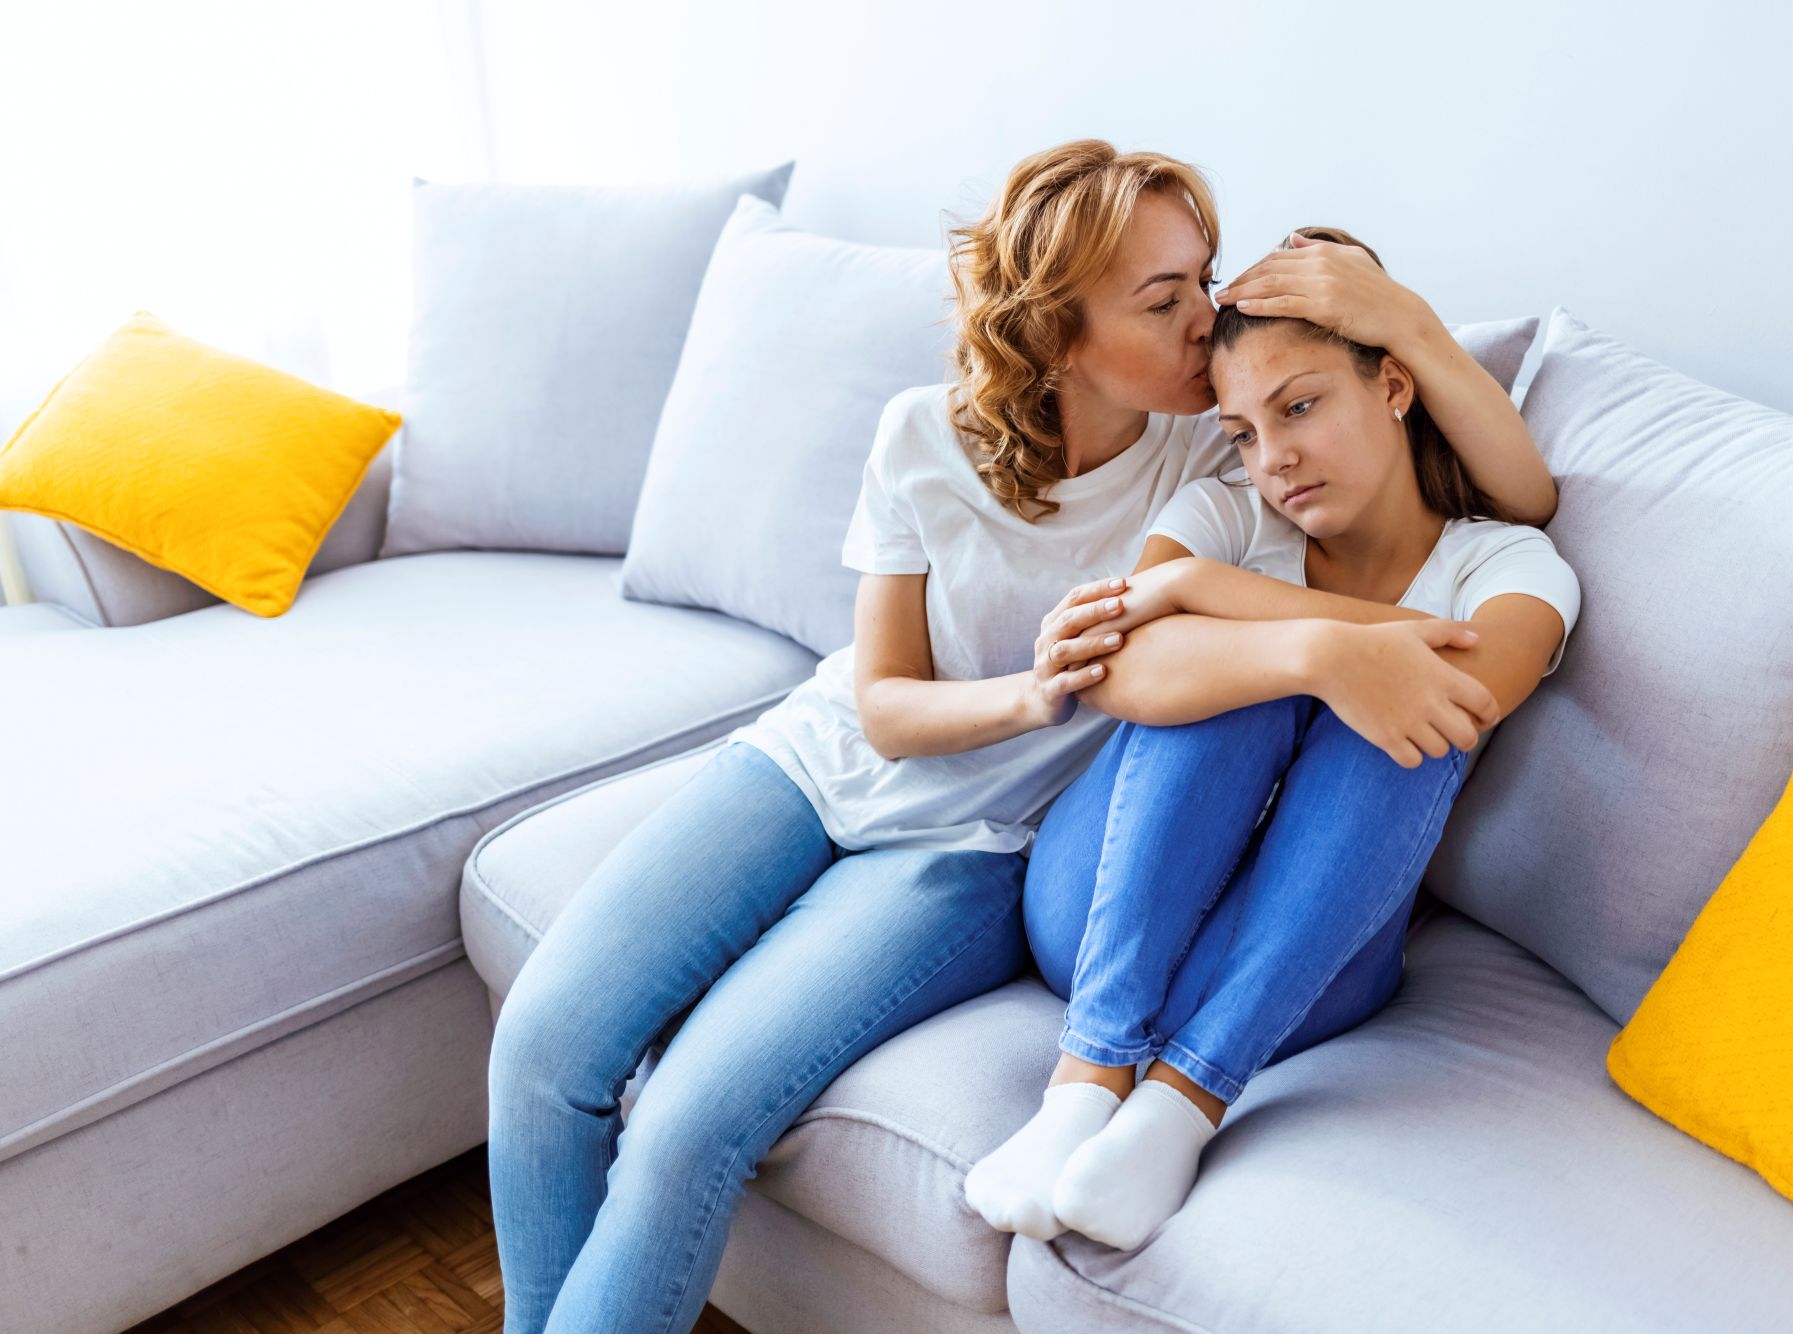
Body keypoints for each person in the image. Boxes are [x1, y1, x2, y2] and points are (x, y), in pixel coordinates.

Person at [485, 143, 1556, 1333]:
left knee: (689, 1121)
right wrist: (1032, 695)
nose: (1207, 322)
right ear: (1054, 331)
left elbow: (1519, 498)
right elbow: (884, 702)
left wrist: (1400, 319)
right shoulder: (924, 436)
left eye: (1200, 279)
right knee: (542, 1047)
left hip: (982, 845)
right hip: (823, 759)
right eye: (1164, 301)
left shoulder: (1226, 444)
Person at [963, 226, 1581, 1252]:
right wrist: (1299, 649)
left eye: (1299, 407)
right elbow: (1118, 672)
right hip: (1104, 913)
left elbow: (1468, 689)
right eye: (1243, 432)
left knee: (1404, 715)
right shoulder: (1221, 513)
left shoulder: (1504, 562)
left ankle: (1182, 1102)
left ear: (1391, 386)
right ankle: (1086, 1080)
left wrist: (1229, 607)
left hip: (1303, 967)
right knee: (1227, 678)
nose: (1273, 459)